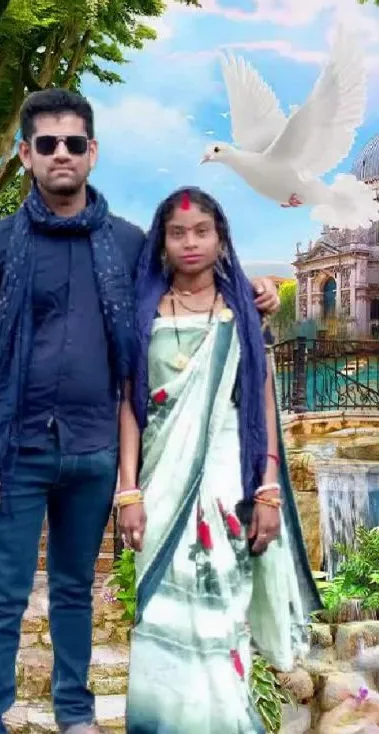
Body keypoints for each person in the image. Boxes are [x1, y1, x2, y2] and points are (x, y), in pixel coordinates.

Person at [0, 89, 279, 734]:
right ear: (25, 154)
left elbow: (191, 284)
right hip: (14, 450)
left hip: (94, 451)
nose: (62, 154)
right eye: (48, 144)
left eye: (75, 143)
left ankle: (76, 714)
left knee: (74, 589)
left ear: (94, 153)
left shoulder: (127, 242)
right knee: (2, 596)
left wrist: (258, 290)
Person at [117, 187, 321, 734]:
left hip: (230, 484)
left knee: (222, 614)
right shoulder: (143, 313)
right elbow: (131, 407)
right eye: (178, 232)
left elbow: (263, 402)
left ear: (220, 238)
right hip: (160, 487)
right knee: (160, 612)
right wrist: (128, 491)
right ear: (162, 241)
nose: (190, 242)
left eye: (201, 231)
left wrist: (269, 489)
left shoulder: (243, 313)